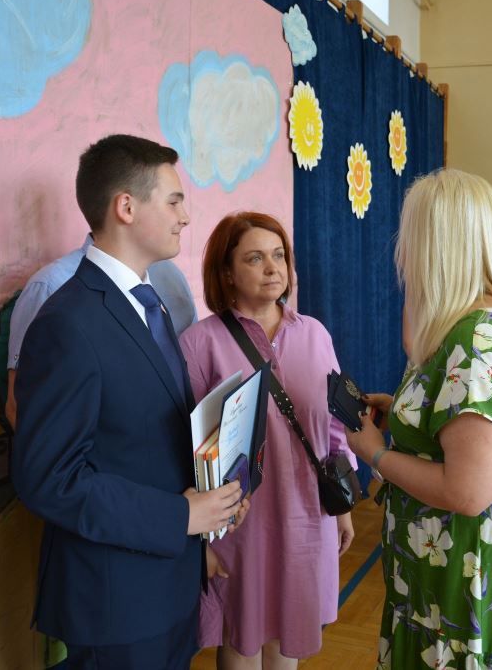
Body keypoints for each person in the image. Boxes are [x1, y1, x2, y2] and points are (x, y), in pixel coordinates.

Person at [10, 134, 246, 669]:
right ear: (126, 207)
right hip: (115, 599)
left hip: (168, 580)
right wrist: (180, 515)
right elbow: (49, 478)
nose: (185, 216)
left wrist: (215, 499)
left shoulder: (149, 301)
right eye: (174, 200)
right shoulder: (67, 322)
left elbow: (153, 435)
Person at [346, 169, 492, 669]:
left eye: (410, 236)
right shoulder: (474, 325)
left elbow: (467, 492)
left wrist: (375, 453)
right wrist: (405, 416)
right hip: (449, 564)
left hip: (467, 568)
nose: (402, 252)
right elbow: (463, 425)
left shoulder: (481, 338)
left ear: (434, 246)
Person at [179, 212, 354, 669]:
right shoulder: (200, 343)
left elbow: (336, 426)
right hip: (240, 526)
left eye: (279, 255)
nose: (273, 268)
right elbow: (186, 449)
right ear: (226, 273)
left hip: (307, 515)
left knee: (288, 637)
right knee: (242, 639)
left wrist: (343, 505)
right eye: (255, 258)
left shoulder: (314, 333)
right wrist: (200, 541)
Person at [4, 234, 196, 427]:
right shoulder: (50, 286)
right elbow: (19, 410)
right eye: (171, 206)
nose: (184, 220)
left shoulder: (171, 277)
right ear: (125, 214)